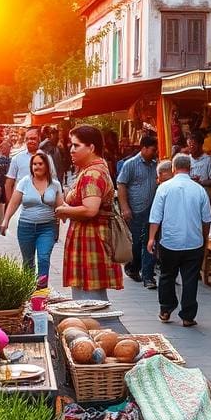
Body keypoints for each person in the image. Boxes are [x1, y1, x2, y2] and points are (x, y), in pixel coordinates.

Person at [55, 125, 122, 301]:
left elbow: (90, 209)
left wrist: (64, 210)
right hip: (90, 238)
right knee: (91, 297)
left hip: (91, 239)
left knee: (89, 301)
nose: (71, 149)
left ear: (91, 147)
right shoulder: (95, 168)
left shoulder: (93, 173)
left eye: (76, 145)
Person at [147, 153, 211, 326]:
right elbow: (207, 219)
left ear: (173, 169)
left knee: (167, 275)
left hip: (170, 242)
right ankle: (188, 316)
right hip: (194, 242)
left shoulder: (164, 188)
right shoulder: (199, 190)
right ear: (190, 169)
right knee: (190, 279)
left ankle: (166, 309)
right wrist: (204, 238)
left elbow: (155, 217)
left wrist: (151, 238)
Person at [1, 151, 63, 285]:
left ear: (46, 166)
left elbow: (61, 206)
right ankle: (28, 290)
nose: (37, 167)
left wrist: (68, 214)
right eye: (34, 164)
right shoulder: (24, 182)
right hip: (26, 227)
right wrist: (5, 220)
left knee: (43, 258)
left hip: (47, 228)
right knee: (28, 261)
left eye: (40, 164)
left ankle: (41, 290)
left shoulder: (55, 184)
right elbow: (14, 203)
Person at [117, 136, 159, 289]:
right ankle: (133, 267)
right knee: (135, 243)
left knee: (150, 243)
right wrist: (125, 207)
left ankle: (148, 276)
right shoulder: (130, 164)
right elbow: (121, 185)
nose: (155, 153)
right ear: (144, 148)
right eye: (153, 150)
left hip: (152, 211)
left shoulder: (155, 165)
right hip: (135, 210)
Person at [5, 127, 57, 202]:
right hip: (21, 204)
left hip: (42, 203)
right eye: (27, 139)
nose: (30, 141)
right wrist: (10, 203)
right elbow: (9, 183)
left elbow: (54, 179)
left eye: (33, 138)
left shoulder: (47, 158)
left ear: (39, 139)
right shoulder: (17, 158)